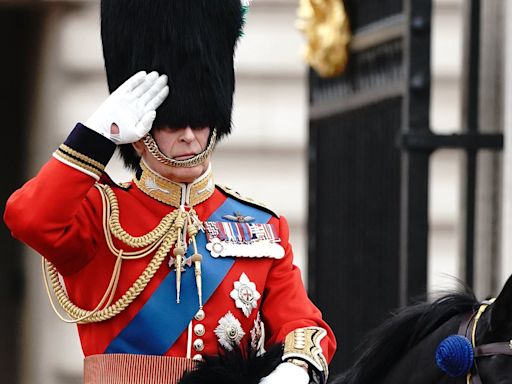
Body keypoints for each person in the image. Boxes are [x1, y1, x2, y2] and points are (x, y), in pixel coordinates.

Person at [4, 1, 336, 383]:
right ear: (141, 131)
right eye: (172, 122)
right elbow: (28, 217)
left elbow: (304, 325)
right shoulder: (100, 213)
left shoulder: (262, 228)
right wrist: (97, 135)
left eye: (199, 120)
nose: (189, 136)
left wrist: (294, 370)